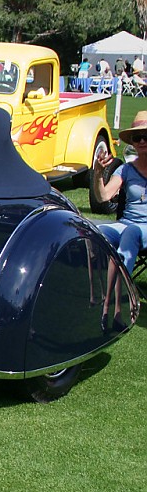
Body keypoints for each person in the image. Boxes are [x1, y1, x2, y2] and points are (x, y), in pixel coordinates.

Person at [94, 111, 147, 329]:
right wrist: (97, 174)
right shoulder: (126, 169)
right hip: (126, 223)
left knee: (131, 233)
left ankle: (117, 308)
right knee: (97, 234)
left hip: (140, 229)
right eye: (137, 137)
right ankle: (93, 299)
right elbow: (103, 196)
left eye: (146, 136)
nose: (142, 141)